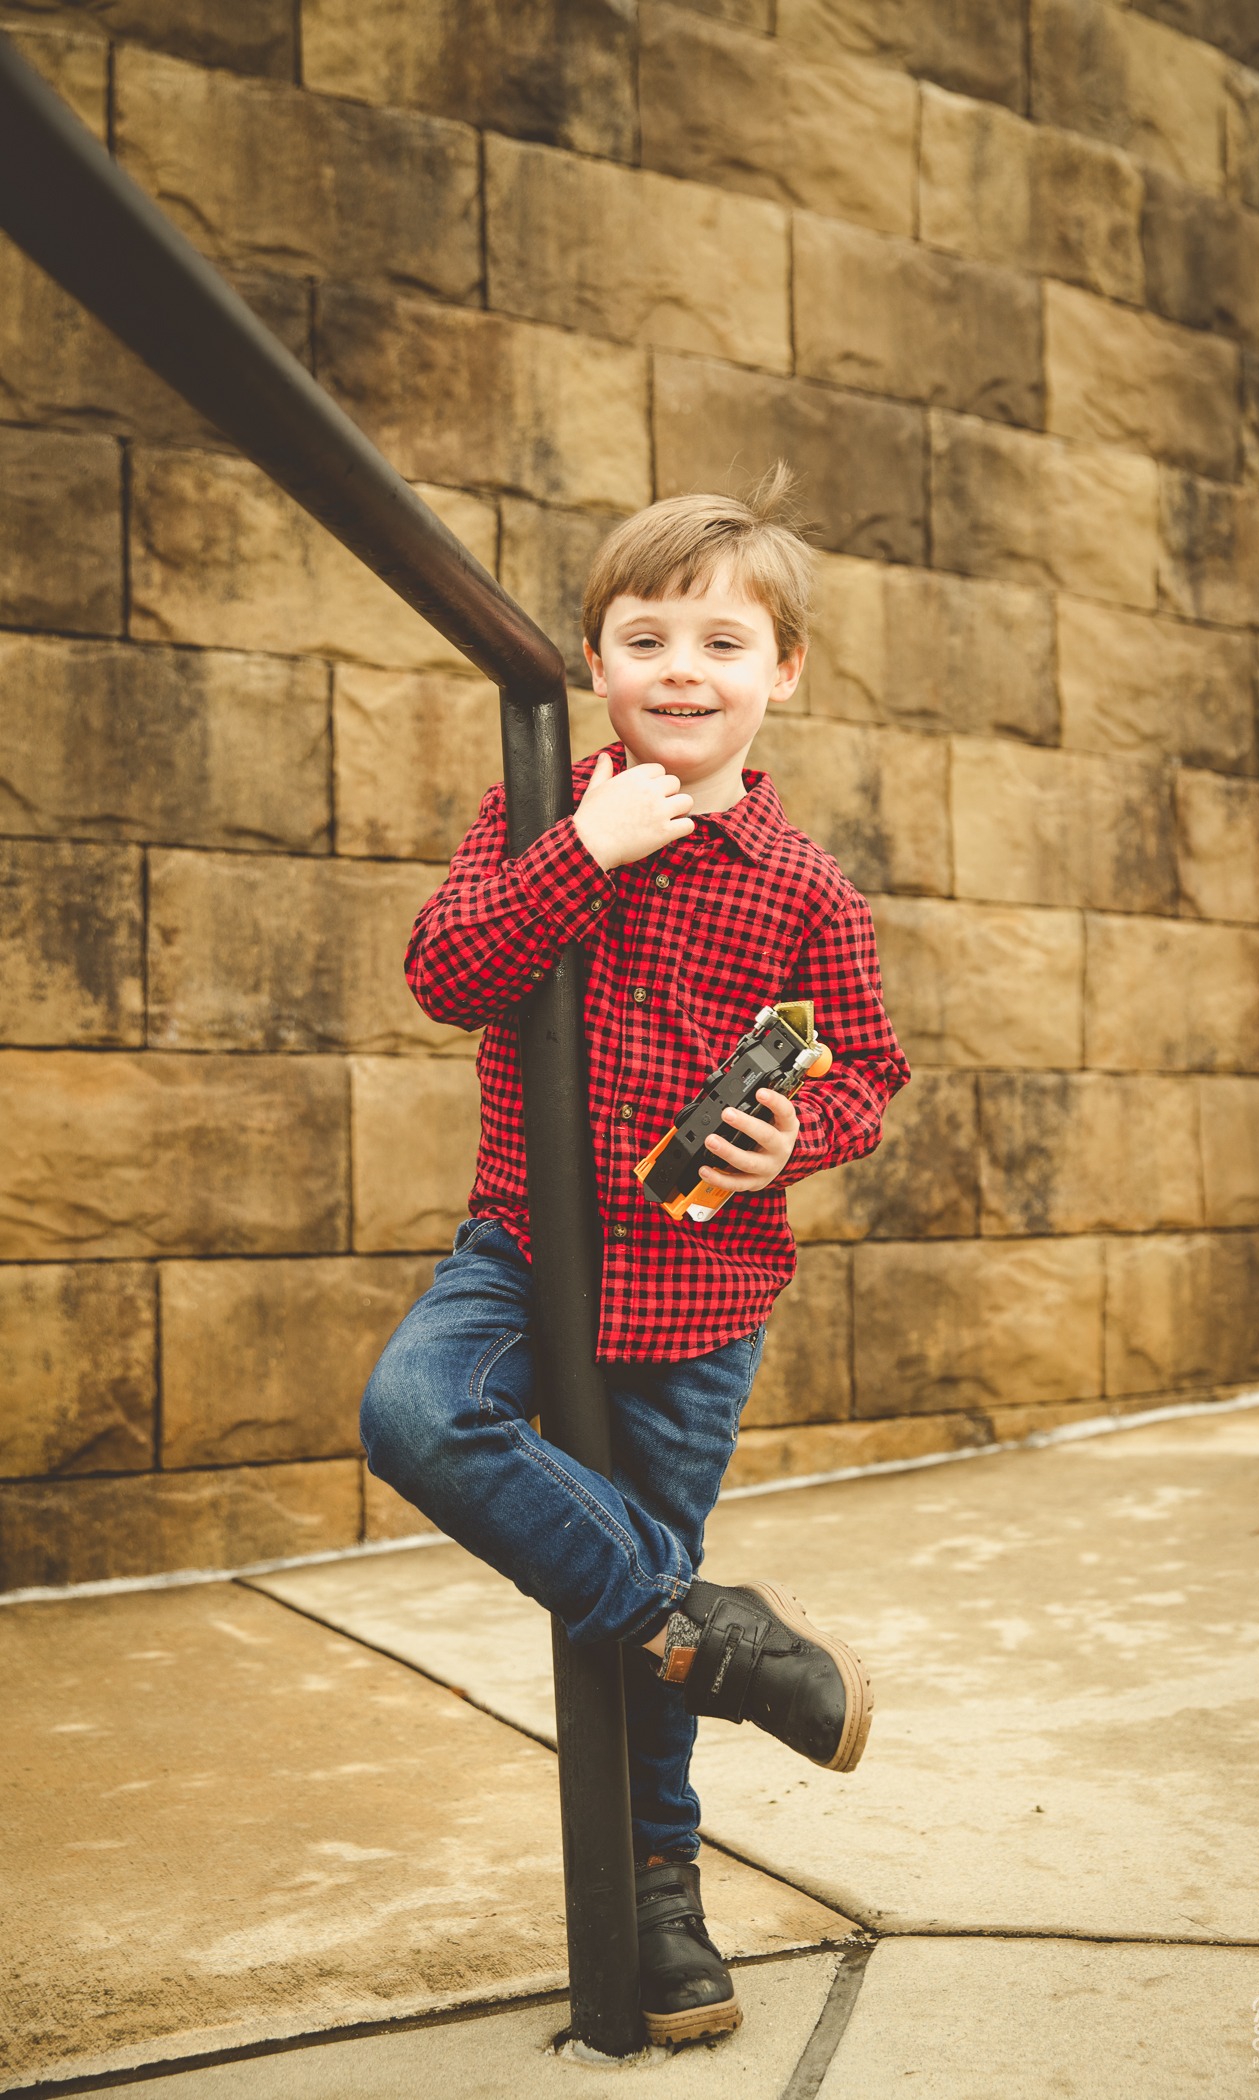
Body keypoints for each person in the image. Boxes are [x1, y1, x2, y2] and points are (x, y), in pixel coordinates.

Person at [360, 466, 910, 2045]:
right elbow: (447, 975)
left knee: (624, 1601)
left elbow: (869, 1070)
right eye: (645, 636)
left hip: (699, 1295)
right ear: (594, 662)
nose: (683, 669)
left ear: (781, 675)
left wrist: (794, 1137)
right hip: (523, 1253)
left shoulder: (811, 891)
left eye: (723, 643)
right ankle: (726, 1637)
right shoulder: (544, 815)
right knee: (415, 1411)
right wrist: (581, 851)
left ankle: (661, 1903)